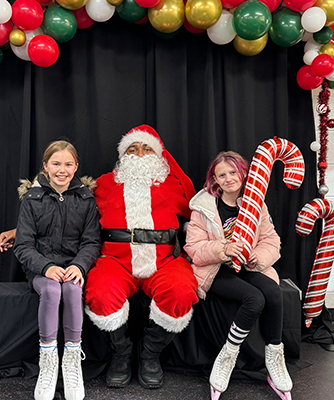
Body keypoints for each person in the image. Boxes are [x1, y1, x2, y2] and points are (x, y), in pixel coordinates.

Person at [83, 125, 199, 390]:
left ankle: (150, 354)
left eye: (147, 149)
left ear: (160, 156)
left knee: (181, 292)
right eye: (132, 149)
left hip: (163, 261)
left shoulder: (173, 184)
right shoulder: (104, 183)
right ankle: (121, 354)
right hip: (116, 260)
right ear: (123, 156)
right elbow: (72, 211)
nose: (139, 154)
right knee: (100, 294)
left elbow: (196, 207)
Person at [184, 151, 292, 400]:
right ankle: (227, 357)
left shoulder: (255, 204)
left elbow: (271, 240)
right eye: (222, 175)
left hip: (248, 267)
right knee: (254, 299)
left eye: (233, 172)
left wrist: (259, 257)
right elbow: (194, 249)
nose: (229, 178)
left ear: (243, 173)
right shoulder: (203, 207)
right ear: (215, 180)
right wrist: (222, 249)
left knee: (273, 293)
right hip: (215, 269)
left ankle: (275, 358)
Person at [13, 140, 101, 400]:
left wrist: (79, 265)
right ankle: (48, 360)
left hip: (73, 266)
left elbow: (91, 242)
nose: (62, 170)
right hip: (41, 268)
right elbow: (23, 245)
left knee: (73, 291)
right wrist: (46, 266)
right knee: (52, 291)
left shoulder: (85, 199)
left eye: (68, 164)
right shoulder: (32, 199)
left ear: (76, 167)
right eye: (56, 164)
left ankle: (72, 359)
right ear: (45, 166)